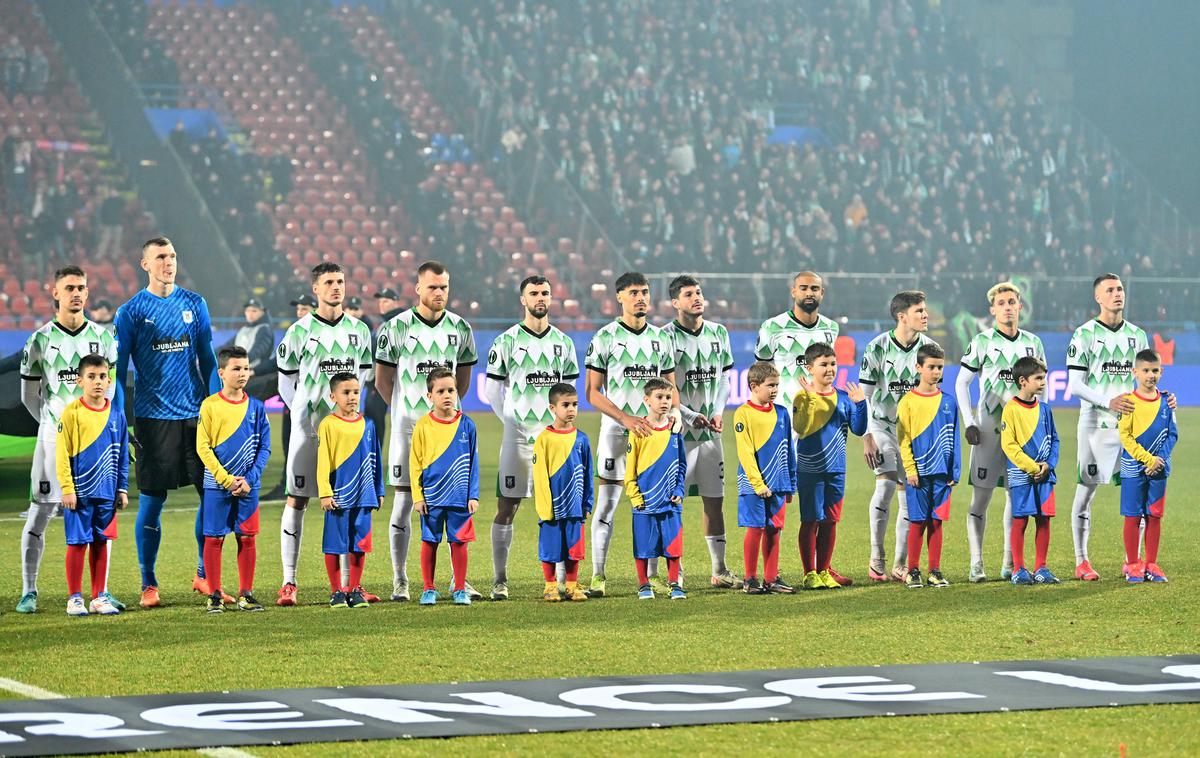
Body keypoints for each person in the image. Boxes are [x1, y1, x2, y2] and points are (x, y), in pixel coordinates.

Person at [114, 237, 217, 609]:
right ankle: (149, 583)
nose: (168, 262)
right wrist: (121, 422)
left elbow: (208, 360)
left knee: (211, 497)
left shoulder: (194, 304)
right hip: (152, 419)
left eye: (172, 255)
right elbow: (119, 372)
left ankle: (205, 574)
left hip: (194, 417)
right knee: (152, 502)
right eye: (160, 257)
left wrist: (217, 406)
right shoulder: (131, 312)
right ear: (145, 264)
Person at [16, 266, 120, 614]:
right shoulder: (39, 341)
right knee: (41, 511)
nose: (76, 293)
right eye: (69, 288)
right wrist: (54, 427)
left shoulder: (104, 339)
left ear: (88, 294)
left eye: (82, 288)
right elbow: (30, 397)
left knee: (101, 516)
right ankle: (29, 590)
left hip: (96, 444)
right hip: (51, 442)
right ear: (55, 293)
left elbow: (111, 390)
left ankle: (99, 592)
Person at [375, 261, 478, 601]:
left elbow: (462, 379)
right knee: (405, 501)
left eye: (444, 287)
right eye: (433, 287)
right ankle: (400, 579)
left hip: (449, 432)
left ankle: (456, 582)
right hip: (408, 431)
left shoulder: (460, 328)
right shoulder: (397, 328)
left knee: (454, 504)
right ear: (417, 288)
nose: (439, 293)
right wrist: (406, 413)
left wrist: (445, 411)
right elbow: (382, 380)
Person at [275, 263, 373, 606]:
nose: (336, 287)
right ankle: (289, 581)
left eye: (341, 281)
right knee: (297, 499)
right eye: (329, 282)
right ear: (315, 289)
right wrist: (305, 416)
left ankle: (349, 586)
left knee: (350, 503)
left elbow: (362, 379)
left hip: (347, 435)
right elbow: (286, 384)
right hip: (308, 433)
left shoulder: (359, 331)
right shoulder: (299, 332)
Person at [1065, 274, 1172, 581]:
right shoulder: (1084, 334)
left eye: (1120, 289)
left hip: (1131, 427)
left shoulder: (1137, 335)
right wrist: (1106, 401)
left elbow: (1145, 379)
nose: (1117, 294)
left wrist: (1163, 399)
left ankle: (1133, 561)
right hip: (1095, 425)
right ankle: (1081, 561)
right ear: (1098, 298)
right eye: (1110, 290)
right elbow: (1074, 385)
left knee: (1136, 494)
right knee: (1086, 491)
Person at [753, 272, 852, 585]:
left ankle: (821, 568)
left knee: (821, 504)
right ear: (793, 290)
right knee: (777, 498)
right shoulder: (772, 327)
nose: (810, 293)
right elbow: (760, 374)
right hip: (782, 424)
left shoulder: (830, 328)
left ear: (822, 293)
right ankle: (772, 571)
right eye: (805, 287)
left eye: (816, 289)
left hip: (817, 427)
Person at [484, 276, 579, 600]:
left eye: (545, 293)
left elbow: (568, 393)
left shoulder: (564, 344)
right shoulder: (506, 341)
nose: (541, 298)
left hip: (554, 440)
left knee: (561, 508)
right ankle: (500, 579)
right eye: (534, 293)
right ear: (522, 300)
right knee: (507, 506)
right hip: (519, 440)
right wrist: (512, 422)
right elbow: (492, 391)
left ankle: (563, 580)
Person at [584, 271, 676, 597]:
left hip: (651, 434)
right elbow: (592, 393)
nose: (641, 298)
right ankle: (598, 575)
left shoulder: (662, 339)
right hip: (616, 431)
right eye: (634, 292)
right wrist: (624, 418)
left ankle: (651, 576)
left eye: (645, 292)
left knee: (652, 504)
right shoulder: (605, 337)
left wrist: (674, 416)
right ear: (619, 297)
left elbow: (670, 388)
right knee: (607, 503)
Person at [954, 282, 1045, 582]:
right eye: (1001, 303)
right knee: (981, 499)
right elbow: (961, 383)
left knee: (1014, 496)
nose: (1007, 307)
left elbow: (1041, 388)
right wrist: (969, 421)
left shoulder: (1033, 343)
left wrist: (1039, 427)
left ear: (1020, 306)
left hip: (1021, 435)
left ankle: (1010, 563)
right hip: (988, 432)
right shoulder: (981, 342)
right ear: (992, 310)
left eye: (1012, 302)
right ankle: (976, 563)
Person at [665, 275, 738, 590]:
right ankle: (674, 571)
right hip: (678, 434)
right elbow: (664, 388)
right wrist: (689, 415)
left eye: (698, 293)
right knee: (673, 504)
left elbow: (723, 378)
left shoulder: (719, 333)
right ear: (675, 303)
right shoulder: (665, 337)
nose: (696, 298)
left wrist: (718, 411)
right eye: (688, 294)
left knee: (714, 502)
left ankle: (719, 569)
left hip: (710, 435)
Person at [858, 290, 933, 582]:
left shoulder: (930, 348)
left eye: (925, 310)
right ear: (902, 317)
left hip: (914, 433)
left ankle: (900, 563)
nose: (926, 315)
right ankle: (877, 556)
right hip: (882, 426)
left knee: (909, 495)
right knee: (887, 484)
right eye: (920, 311)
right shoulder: (877, 348)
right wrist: (866, 436)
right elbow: (863, 396)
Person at [196, 346, 271, 613]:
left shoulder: (257, 408)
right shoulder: (210, 405)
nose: (243, 374)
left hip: (249, 487)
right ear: (221, 372)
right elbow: (202, 447)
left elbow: (265, 448)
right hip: (217, 485)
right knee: (214, 539)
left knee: (247, 538)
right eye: (236, 368)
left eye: (245, 368)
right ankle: (215, 595)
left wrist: (249, 479)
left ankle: (245, 594)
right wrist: (226, 479)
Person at [55, 354, 129, 616]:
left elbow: (122, 456)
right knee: (77, 543)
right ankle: (75, 597)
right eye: (91, 377)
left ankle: (98, 597)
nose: (98, 382)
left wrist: (122, 488)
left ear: (109, 380)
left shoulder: (117, 414)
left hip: (107, 493)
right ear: (79, 381)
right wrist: (66, 488)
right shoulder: (72, 413)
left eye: (102, 377)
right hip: (80, 492)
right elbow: (62, 454)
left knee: (100, 543)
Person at [791, 343, 867, 590]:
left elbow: (858, 429)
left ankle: (824, 570)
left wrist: (861, 404)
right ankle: (809, 573)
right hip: (809, 470)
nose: (830, 369)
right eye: (823, 364)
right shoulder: (802, 397)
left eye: (833, 364)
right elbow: (801, 428)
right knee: (810, 520)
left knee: (830, 522)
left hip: (836, 470)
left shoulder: (844, 398)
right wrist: (811, 398)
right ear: (810, 368)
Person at [410, 368, 480, 606]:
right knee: (430, 541)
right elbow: (415, 464)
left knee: (459, 542)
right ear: (430, 396)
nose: (447, 395)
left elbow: (473, 463)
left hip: (460, 497)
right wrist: (418, 497)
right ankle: (429, 589)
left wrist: (473, 495)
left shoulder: (467, 425)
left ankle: (460, 588)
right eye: (440, 391)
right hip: (432, 497)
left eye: (451, 390)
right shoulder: (422, 426)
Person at [317, 373, 385, 608]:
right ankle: (336, 591)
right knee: (335, 544)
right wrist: (325, 492)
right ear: (333, 396)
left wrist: (379, 489)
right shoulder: (328, 424)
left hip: (364, 494)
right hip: (339, 496)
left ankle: (354, 589)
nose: (352, 397)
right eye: (346, 393)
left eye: (356, 392)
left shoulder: (369, 424)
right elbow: (323, 460)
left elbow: (376, 458)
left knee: (360, 544)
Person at [896, 343, 960, 589]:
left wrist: (954, 470)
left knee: (936, 521)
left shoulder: (949, 401)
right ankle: (913, 570)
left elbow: (954, 438)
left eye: (940, 367)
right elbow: (904, 439)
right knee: (917, 521)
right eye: (931, 367)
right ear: (918, 367)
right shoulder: (908, 402)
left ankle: (934, 570)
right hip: (919, 475)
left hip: (942, 474)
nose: (936, 372)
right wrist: (910, 470)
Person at [733, 361, 797, 594]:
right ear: (754, 386)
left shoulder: (781, 412)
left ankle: (771, 579)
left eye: (777, 385)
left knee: (774, 530)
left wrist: (791, 483)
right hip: (753, 485)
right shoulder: (743, 413)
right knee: (756, 528)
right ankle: (750, 579)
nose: (775, 390)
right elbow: (745, 451)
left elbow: (789, 449)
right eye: (770, 385)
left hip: (779, 483)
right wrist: (757, 484)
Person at [1117, 349, 1177, 583]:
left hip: (1160, 468)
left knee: (1154, 516)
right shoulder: (1129, 402)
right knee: (1133, 516)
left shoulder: (1166, 401)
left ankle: (1151, 563)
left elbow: (1172, 434)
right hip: (1134, 468)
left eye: (1155, 370)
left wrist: (1159, 459)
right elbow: (1126, 437)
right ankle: (1132, 563)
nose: (1150, 375)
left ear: (1161, 372)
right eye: (1146, 371)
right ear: (1135, 372)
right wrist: (1148, 459)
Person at [625, 378, 688, 600]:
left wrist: (679, 490)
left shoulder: (674, 429)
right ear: (647, 400)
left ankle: (674, 584)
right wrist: (634, 495)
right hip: (645, 500)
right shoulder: (639, 430)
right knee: (643, 544)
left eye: (668, 398)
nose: (664, 402)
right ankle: (643, 585)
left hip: (670, 500)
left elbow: (681, 464)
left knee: (673, 544)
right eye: (659, 397)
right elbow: (630, 468)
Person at [1000, 357, 1061, 586]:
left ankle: (1041, 567)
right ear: (1023, 381)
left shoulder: (1045, 409)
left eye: (1044, 378)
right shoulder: (1011, 409)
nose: (1043, 382)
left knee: (1044, 519)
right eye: (1038, 378)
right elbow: (1009, 445)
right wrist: (1033, 467)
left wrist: (1049, 464)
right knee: (1020, 520)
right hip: (1022, 475)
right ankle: (1018, 569)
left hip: (1045, 474)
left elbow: (1055, 439)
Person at [532, 383, 593, 602]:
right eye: (565, 404)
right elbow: (539, 476)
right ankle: (550, 586)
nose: (571, 409)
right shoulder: (544, 439)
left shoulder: (582, 439)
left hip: (574, 505)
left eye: (575, 404)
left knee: (574, 548)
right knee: (550, 548)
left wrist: (587, 502)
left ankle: (571, 585)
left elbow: (588, 473)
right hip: (552, 506)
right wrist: (544, 507)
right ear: (552, 408)